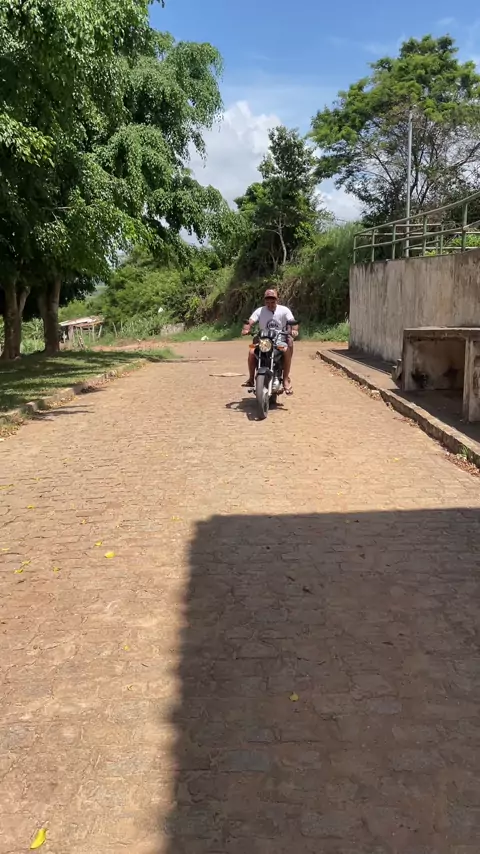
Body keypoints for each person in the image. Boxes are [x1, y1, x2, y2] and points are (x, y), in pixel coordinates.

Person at [241, 288, 298, 394]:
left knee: (286, 350)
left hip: (279, 341)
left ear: (277, 300)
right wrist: (246, 329)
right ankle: (251, 378)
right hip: (263, 341)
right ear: (265, 301)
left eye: (273, 301)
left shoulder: (284, 310)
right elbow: (250, 321)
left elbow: (292, 321)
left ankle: (285, 379)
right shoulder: (260, 311)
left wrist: (294, 330)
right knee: (251, 351)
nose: (270, 304)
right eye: (268, 302)